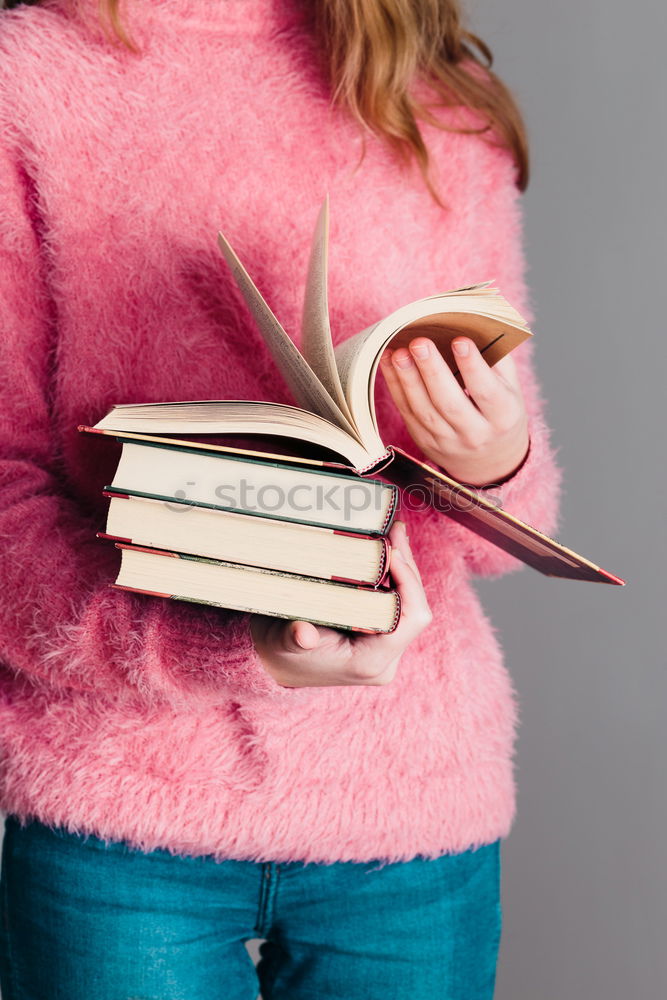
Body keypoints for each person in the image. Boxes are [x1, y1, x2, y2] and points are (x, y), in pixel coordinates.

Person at [0, 0, 563, 997]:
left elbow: (509, 533)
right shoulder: (26, 81)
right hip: (118, 824)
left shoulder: (433, 100)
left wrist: (494, 455)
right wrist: (224, 644)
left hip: (409, 815)